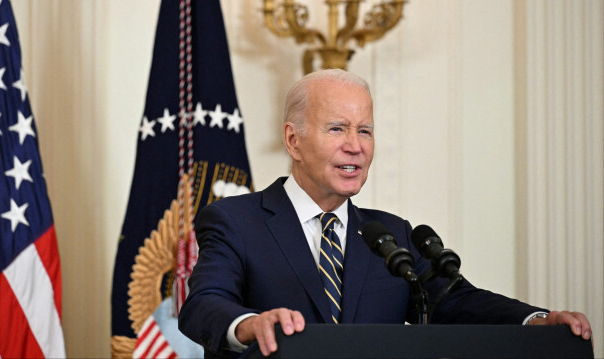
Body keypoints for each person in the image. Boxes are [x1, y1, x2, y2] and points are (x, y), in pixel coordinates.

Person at [178, 69, 592, 358]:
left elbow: (456, 301)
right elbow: (203, 304)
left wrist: (535, 319)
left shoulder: (390, 235)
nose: (355, 146)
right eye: (337, 129)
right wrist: (249, 324)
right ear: (294, 140)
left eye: (365, 130)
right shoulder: (235, 221)